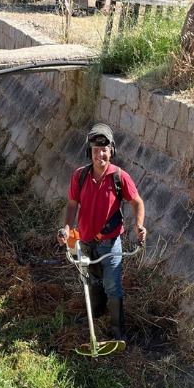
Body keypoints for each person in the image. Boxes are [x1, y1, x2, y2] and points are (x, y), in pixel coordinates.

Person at [57, 123, 146, 343]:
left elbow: (137, 202)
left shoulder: (120, 177)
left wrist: (139, 226)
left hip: (110, 243)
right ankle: (95, 314)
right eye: (96, 151)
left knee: (112, 284)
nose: (100, 155)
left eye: (104, 150)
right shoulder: (80, 176)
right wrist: (66, 230)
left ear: (111, 151)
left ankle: (118, 330)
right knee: (91, 280)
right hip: (85, 241)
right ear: (90, 153)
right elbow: (71, 205)